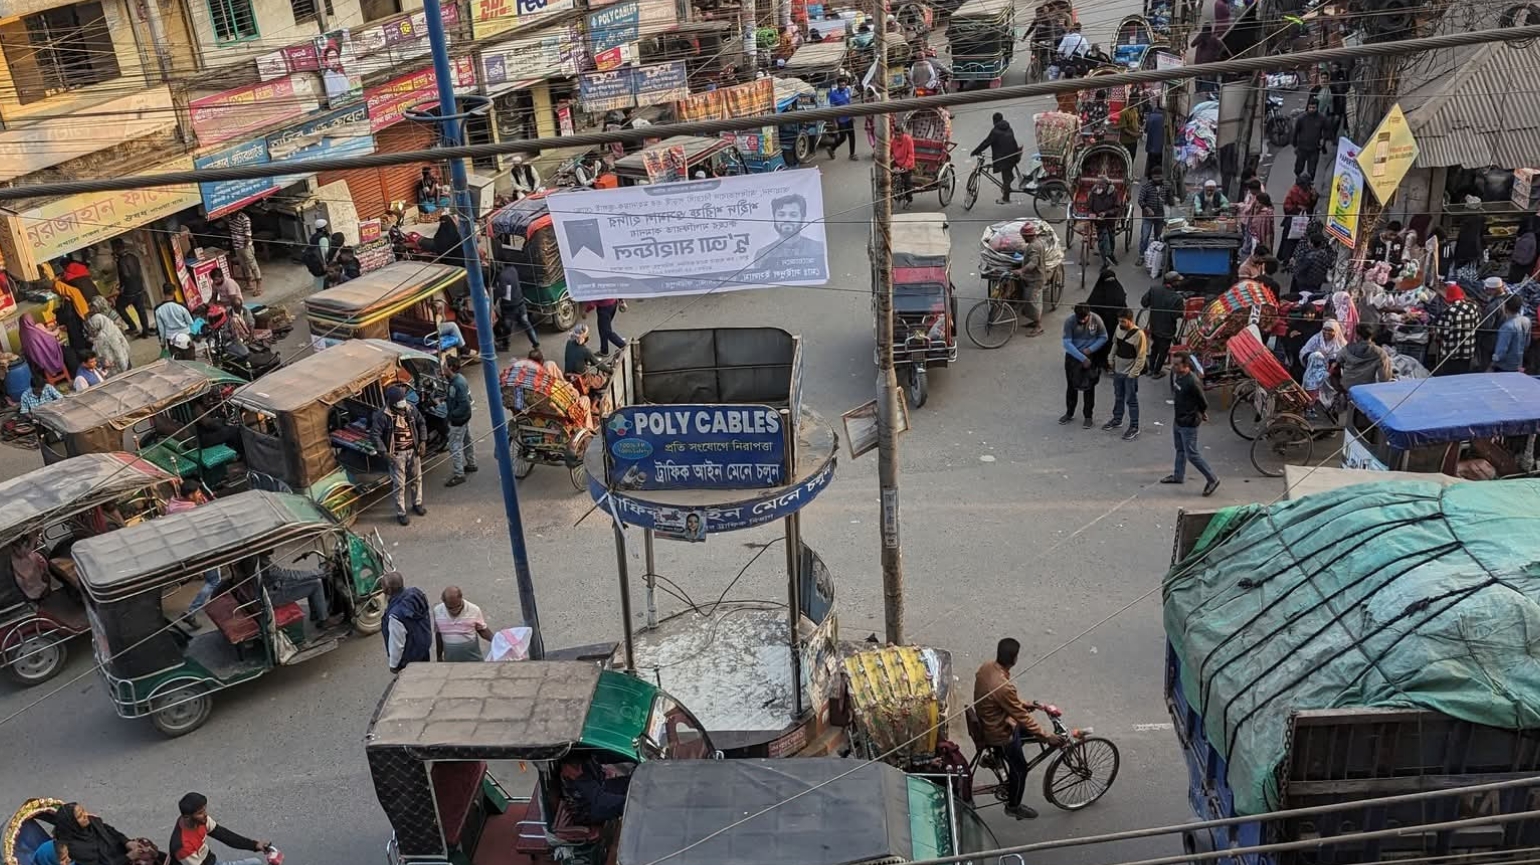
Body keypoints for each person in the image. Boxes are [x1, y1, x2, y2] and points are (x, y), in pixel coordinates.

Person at [973, 638, 1064, 820]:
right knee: (1020, 769)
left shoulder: (987, 667)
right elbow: (1020, 715)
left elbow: (1007, 702)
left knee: (1026, 731)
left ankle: (995, 758)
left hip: (988, 720)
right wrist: (1047, 737)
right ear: (1014, 658)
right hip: (998, 732)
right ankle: (1013, 806)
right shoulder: (1003, 687)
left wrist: (1026, 704)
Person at [1161, 353, 1220, 495]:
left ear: (1185, 366)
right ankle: (1178, 475)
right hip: (1179, 419)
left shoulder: (1192, 381)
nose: (1173, 367)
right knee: (1180, 449)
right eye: (1173, 364)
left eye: (1176, 364)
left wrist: (1200, 413)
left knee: (1191, 454)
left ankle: (1212, 479)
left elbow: (1203, 402)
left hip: (1189, 422)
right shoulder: (1178, 376)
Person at [370, 385, 427, 526]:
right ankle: (401, 513)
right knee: (399, 485)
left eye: (403, 400)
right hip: (397, 455)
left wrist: (423, 441)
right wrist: (384, 452)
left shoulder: (410, 409)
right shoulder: (382, 415)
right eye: (399, 402)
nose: (403, 404)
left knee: (416, 479)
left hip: (413, 451)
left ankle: (417, 504)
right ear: (392, 402)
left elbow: (421, 423)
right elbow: (374, 435)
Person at [168, 792, 268, 865]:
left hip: (210, 861)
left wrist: (255, 845)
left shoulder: (200, 821)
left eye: (204, 810)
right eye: (200, 813)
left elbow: (225, 836)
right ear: (187, 817)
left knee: (256, 863)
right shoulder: (182, 846)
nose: (205, 814)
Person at [50, 802, 157, 865]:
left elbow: (110, 830)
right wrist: (128, 857)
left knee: (145, 846)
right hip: (116, 862)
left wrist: (127, 842)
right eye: (80, 816)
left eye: (83, 811)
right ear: (72, 824)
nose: (85, 816)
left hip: (118, 852)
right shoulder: (74, 849)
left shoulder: (92, 822)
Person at [1103, 308, 1148, 439]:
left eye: (1123, 321)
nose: (1121, 323)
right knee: (1118, 396)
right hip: (1118, 370)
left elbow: (1141, 357)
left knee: (1131, 400)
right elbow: (1115, 344)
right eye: (1119, 321)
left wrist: (1133, 374)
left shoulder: (1139, 335)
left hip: (1129, 374)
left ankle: (1134, 426)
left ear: (1130, 320)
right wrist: (1110, 358)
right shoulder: (1119, 328)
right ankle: (1117, 419)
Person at [1060, 304, 1108, 427]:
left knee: (1089, 387)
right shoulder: (1070, 322)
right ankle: (1069, 413)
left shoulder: (1096, 320)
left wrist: (1090, 350)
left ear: (1089, 314)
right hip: (1073, 357)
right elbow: (1067, 343)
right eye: (1079, 318)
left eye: (1084, 318)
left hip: (1091, 357)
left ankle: (1088, 416)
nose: (1082, 320)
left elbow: (1103, 337)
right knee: (1071, 386)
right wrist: (1081, 357)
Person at [753, 193, 826, 267]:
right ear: (774, 218)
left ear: (802, 218)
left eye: (793, 215)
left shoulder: (819, 249)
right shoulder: (763, 255)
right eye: (781, 215)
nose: (787, 219)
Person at [381, 572, 432, 672]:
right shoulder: (416, 594)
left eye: (382, 587)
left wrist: (393, 665)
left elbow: (397, 644)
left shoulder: (395, 615)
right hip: (422, 647)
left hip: (410, 658)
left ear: (389, 590)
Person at [559, 754, 631, 823]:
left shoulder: (586, 753)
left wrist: (631, 756)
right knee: (625, 806)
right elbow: (600, 799)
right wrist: (630, 800)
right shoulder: (572, 770)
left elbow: (607, 756)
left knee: (632, 782)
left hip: (598, 789)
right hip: (588, 809)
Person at [971, 113, 1022, 205]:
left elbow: (986, 142)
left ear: (994, 121)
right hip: (1013, 155)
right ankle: (1009, 182)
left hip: (1004, 158)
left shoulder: (995, 131)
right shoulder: (1009, 128)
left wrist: (975, 151)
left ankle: (1006, 198)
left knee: (1005, 178)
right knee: (1007, 174)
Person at [443, 356, 478, 488]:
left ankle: (459, 474)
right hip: (464, 418)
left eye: (445, 365)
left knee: (454, 446)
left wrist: (451, 416)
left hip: (458, 420)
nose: (443, 367)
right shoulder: (456, 380)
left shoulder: (458, 383)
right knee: (467, 440)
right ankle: (471, 463)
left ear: (451, 368)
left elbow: (464, 405)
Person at [434, 585, 494, 661]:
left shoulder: (474, 610)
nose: (454, 610)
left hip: (473, 660)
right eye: (450, 608)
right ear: (443, 601)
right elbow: (438, 634)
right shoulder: (437, 611)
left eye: (458, 606)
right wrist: (439, 656)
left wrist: (496, 640)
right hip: (450, 662)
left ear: (461, 598)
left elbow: (482, 630)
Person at [1140, 273, 1184, 377]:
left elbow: (1144, 303)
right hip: (1167, 330)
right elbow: (1176, 315)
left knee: (1155, 347)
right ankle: (1156, 372)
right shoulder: (1177, 298)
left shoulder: (1154, 289)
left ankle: (1151, 369)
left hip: (1154, 326)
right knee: (1163, 351)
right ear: (1173, 283)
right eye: (1178, 281)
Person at [492, 261, 539, 352]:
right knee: (527, 324)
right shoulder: (513, 270)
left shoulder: (502, 276)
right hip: (520, 303)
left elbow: (502, 292)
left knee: (507, 327)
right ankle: (535, 343)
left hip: (509, 308)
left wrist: (494, 296)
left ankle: (506, 345)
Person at [1434, 284, 1480, 375]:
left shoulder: (1448, 311)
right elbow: (1477, 324)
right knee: (1463, 376)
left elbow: (1442, 332)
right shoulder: (1473, 308)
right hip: (1468, 350)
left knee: (1449, 378)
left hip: (1451, 352)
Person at [1085, 267, 1125, 368]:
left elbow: (1089, 309)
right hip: (1114, 327)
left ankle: (1099, 362)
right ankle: (1109, 364)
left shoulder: (1097, 294)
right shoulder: (1119, 290)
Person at [1012, 222, 1048, 337]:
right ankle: (1034, 321)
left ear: (1029, 236)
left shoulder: (1034, 246)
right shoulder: (1036, 243)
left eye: (1024, 236)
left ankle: (1039, 327)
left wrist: (1021, 271)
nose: (1023, 238)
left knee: (1033, 302)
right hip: (1032, 278)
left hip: (1035, 279)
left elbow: (1033, 263)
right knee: (1028, 300)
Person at [110, 240, 150, 337]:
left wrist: (122, 286)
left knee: (119, 306)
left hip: (129, 290)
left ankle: (132, 327)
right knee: (141, 309)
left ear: (116, 249)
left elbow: (126, 275)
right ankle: (146, 331)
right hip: (139, 287)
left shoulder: (121, 260)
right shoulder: (133, 256)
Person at [1277, 174, 1319, 265]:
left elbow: (1312, 204)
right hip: (1293, 219)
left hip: (1304, 219)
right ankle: (1284, 258)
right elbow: (1287, 206)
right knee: (1288, 240)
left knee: (1299, 241)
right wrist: (1297, 207)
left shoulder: (1310, 191)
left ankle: (1293, 259)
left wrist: (1314, 198)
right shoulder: (1293, 191)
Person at [1340, 322, 1393, 389]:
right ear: (1371, 336)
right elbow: (1384, 377)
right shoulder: (1380, 353)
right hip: (1366, 388)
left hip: (1347, 386)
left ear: (1358, 336)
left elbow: (1339, 360)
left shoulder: (1347, 349)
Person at [1138, 166, 1176, 257]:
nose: (1157, 179)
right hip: (1148, 216)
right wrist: (1148, 208)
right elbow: (1140, 200)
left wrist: (1167, 201)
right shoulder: (1146, 186)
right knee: (1144, 237)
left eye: (1159, 177)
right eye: (1155, 177)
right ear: (1151, 177)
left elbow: (1171, 201)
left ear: (1162, 176)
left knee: (1158, 237)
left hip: (1160, 215)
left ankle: (1156, 256)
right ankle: (1142, 256)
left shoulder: (1167, 185)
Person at [85, 302, 131, 376]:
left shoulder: (100, 338)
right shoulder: (113, 327)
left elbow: (99, 354)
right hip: (125, 361)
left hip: (113, 367)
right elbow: (125, 345)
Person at [1492, 294, 1531, 372]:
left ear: (1505, 307)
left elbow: (1501, 351)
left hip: (1504, 367)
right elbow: (1527, 343)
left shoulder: (1507, 326)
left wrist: (1492, 363)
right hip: (1519, 363)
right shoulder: (1527, 320)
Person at [227, 211, 261, 297]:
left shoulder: (244, 219)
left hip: (245, 247)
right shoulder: (230, 218)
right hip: (237, 246)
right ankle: (249, 284)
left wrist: (245, 247)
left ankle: (259, 287)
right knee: (244, 266)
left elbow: (248, 236)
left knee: (253, 266)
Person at [1087, 174, 1120, 265]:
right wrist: (1091, 214)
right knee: (1103, 240)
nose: (1099, 186)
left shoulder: (1113, 193)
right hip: (1099, 221)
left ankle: (1110, 255)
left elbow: (1117, 208)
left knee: (1111, 239)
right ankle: (1105, 261)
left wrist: (1106, 213)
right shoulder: (1094, 192)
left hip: (1110, 220)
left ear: (1106, 185)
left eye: (1101, 185)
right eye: (1098, 184)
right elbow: (1089, 207)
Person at [1291, 101, 1327, 180]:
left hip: (1314, 149)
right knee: (1298, 168)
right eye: (1310, 107)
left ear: (1317, 108)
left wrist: (1323, 143)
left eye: (1313, 108)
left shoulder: (1322, 119)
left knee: (1312, 170)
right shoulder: (1301, 118)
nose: (1311, 109)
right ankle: (1298, 182)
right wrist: (1295, 145)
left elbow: (1326, 131)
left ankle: (1309, 185)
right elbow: (1295, 132)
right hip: (1302, 148)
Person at [826, 76, 857, 160]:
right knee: (843, 138)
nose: (843, 87)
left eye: (844, 85)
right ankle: (832, 148)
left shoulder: (847, 90)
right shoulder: (833, 95)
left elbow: (849, 103)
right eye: (841, 85)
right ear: (838, 85)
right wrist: (834, 122)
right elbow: (833, 109)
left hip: (849, 118)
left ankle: (852, 154)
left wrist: (852, 115)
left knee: (852, 136)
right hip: (841, 120)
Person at [891, 122, 916, 205]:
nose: (897, 137)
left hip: (907, 164)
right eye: (895, 135)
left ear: (903, 133)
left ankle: (909, 200)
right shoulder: (893, 141)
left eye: (899, 135)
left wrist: (906, 165)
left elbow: (911, 154)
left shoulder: (908, 140)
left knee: (907, 182)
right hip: (897, 163)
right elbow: (889, 152)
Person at [304, 220, 330, 291]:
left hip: (315, 263)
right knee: (324, 281)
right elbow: (324, 253)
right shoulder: (323, 239)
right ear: (323, 228)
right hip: (321, 264)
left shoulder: (313, 237)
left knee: (318, 280)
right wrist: (325, 264)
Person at [1509, 218, 1537, 283]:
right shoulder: (1531, 235)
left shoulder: (1526, 239)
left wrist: (1513, 259)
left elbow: (1520, 258)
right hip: (1528, 264)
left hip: (1520, 267)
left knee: (1515, 281)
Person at [1143, 102, 1165, 174]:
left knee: (1151, 163)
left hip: (1151, 145)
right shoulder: (1165, 118)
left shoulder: (1151, 116)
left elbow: (1146, 129)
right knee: (1158, 163)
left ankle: (1150, 177)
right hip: (1161, 146)